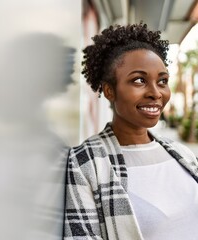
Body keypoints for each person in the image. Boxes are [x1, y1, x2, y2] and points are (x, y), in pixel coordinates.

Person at [63, 22, 198, 240]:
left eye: (162, 81)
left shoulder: (183, 154)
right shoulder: (86, 163)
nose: (156, 93)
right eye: (139, 80)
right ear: (109, 91)